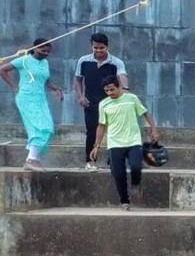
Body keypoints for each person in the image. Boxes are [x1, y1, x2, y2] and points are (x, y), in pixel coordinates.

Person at [89, 76, 161, 210]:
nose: (110, 93)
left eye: (112, 89)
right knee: (118, 173)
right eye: (107, 91)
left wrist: (154, 129)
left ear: (119, 87)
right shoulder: (104, 104)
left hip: (133, 140)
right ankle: (124, 201)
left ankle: (136, 184)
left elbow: (145, 113)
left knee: (135, 165)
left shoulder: (131, 99)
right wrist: (96, 146)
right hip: (115, 143)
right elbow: (101, 125)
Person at [0, 38, 62, 171]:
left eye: (47, 51)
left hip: (40, 99)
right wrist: (15, 87)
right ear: (34, 48)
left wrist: (56, 89)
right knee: (38, 127)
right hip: (26, 98)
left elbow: (45, 81)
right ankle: (31, 160)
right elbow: (2, 69)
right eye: (42, 50)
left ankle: (34, 159)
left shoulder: (45, 63)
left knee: (48, 127)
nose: (45, 53)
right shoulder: (24, 60)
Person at [74, 33, 128, 170]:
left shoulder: (116, 62)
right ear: (92, 46)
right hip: (91, 103)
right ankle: (90, 162)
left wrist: (125, 91)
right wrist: (80, 96)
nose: (98, 51)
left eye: (101, 48)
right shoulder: (84, 61)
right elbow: (78, 80)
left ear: (107, 47)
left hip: (111, 103)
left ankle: (113, 162)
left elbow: (122, 77)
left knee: (114, 132)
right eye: (95, 48)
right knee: (91, 132)